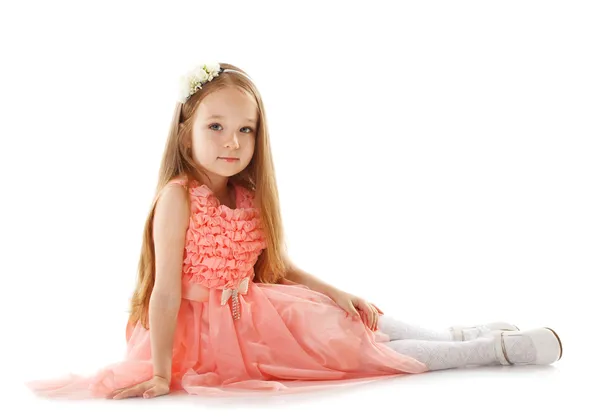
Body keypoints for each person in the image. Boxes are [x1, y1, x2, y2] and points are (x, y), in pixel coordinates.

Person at [24, 62, 563, 400]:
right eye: (215, 126)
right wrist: (162, 373)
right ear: (185, 132)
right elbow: (166, 292)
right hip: (209, 336)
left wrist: (333, 289)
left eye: (245, 130)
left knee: (351, 316)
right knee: (357, 351)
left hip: (257, 307)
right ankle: (495, 350)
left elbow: (273, 267)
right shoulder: (176, 197)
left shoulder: (249, 196)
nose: (231, 142)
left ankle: (456, 334)